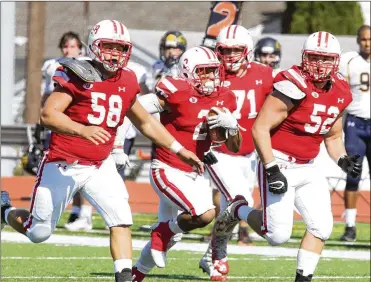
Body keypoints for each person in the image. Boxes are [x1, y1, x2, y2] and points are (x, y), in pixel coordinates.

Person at [1, 19, 203, 282]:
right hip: (64, 162)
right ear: (95, 47)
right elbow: (48, 114)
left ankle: (124, 277)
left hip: (100, 163)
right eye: (108, 47)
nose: (114, 54)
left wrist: (178, 149)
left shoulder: (129, 79)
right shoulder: (77, 73)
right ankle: (4, 209)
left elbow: (144, 121)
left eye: (120, 48)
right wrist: (82, 129)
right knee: (38, 232)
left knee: (121, 220)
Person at [213, 31, 362, 282]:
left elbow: (333, 137)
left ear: (336, 61)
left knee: (322, 227)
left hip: (309, 165)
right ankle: (237, 209)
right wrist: (271, 168)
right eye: (314, 57)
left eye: (325, 59)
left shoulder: (340, 90)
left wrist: (342, 160)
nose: (319, 65)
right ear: (304, 57)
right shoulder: (293, 84)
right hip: (279, 160)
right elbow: (260, 128)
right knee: (276, 236)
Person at [131, 46, 242, 282]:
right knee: (204, 215)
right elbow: (136, 110)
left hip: (196, 172)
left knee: (172, 238)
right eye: (204, 72)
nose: (211, 78)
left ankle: (136, 274)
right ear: (188, 72)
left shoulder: (225, 96)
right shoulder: (176, 90)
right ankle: (163, 231)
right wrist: (119, 138)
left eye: (214, 71)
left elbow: (234, 146)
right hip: (167, 168)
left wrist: (232, 126)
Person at [198, 25, 274, 281]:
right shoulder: (209, 74)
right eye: (225, 50)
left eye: (235, 50)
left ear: (248, 51)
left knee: (233, 208)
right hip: (219, 152)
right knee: (240, 202)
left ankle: (210, 253)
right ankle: (219, 254)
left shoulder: (264, 74)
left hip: (250, 154)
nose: (230, 55)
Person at [338, 25, 370, 241]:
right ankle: (350, 227)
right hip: (355, 124)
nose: (367, 43)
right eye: (364, 39)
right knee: (353, 174)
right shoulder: (349, 60)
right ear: (358, 41)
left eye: (370, 39)